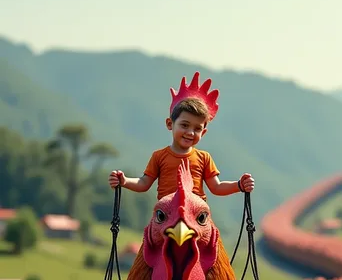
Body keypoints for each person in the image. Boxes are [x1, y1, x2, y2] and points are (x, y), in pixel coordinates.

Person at [108, 72, 255, 202]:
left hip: (196, 216)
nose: (190, 132)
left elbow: (216, 187)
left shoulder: (204, 158)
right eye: (184, 125)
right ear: (169, 124)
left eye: (197, 129)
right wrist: (124, 181)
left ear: (203, 133)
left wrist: (239, 185)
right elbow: (144, 183)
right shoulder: (159, 156)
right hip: (166, 215)